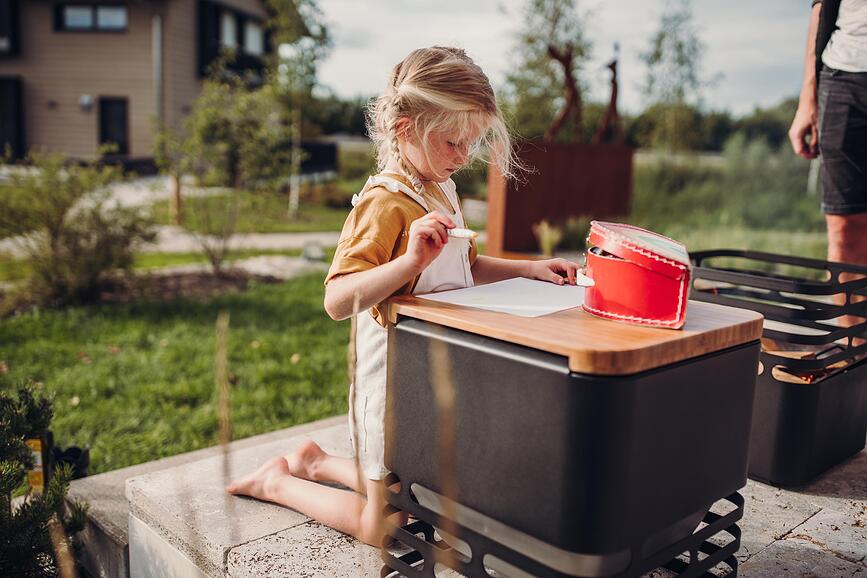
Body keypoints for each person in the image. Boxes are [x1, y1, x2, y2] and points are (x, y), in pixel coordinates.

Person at [227, 46, 581, 545]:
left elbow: (465, 264)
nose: (462, 157)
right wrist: (409, 261)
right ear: (405, 129)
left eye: (472, 143)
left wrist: (530, 269)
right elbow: (336, 299)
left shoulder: (442, 187)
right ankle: (278, 481)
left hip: (431, 376)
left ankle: (317, 461)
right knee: (386, 527)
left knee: (414, 494)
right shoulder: (384, 203)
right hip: (391, 385)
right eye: (452, 143)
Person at [789, 0, 867, 303]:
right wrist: (807, 99)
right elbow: (822, 5)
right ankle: (855, 349)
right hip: (845, 76)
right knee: (844, 227)